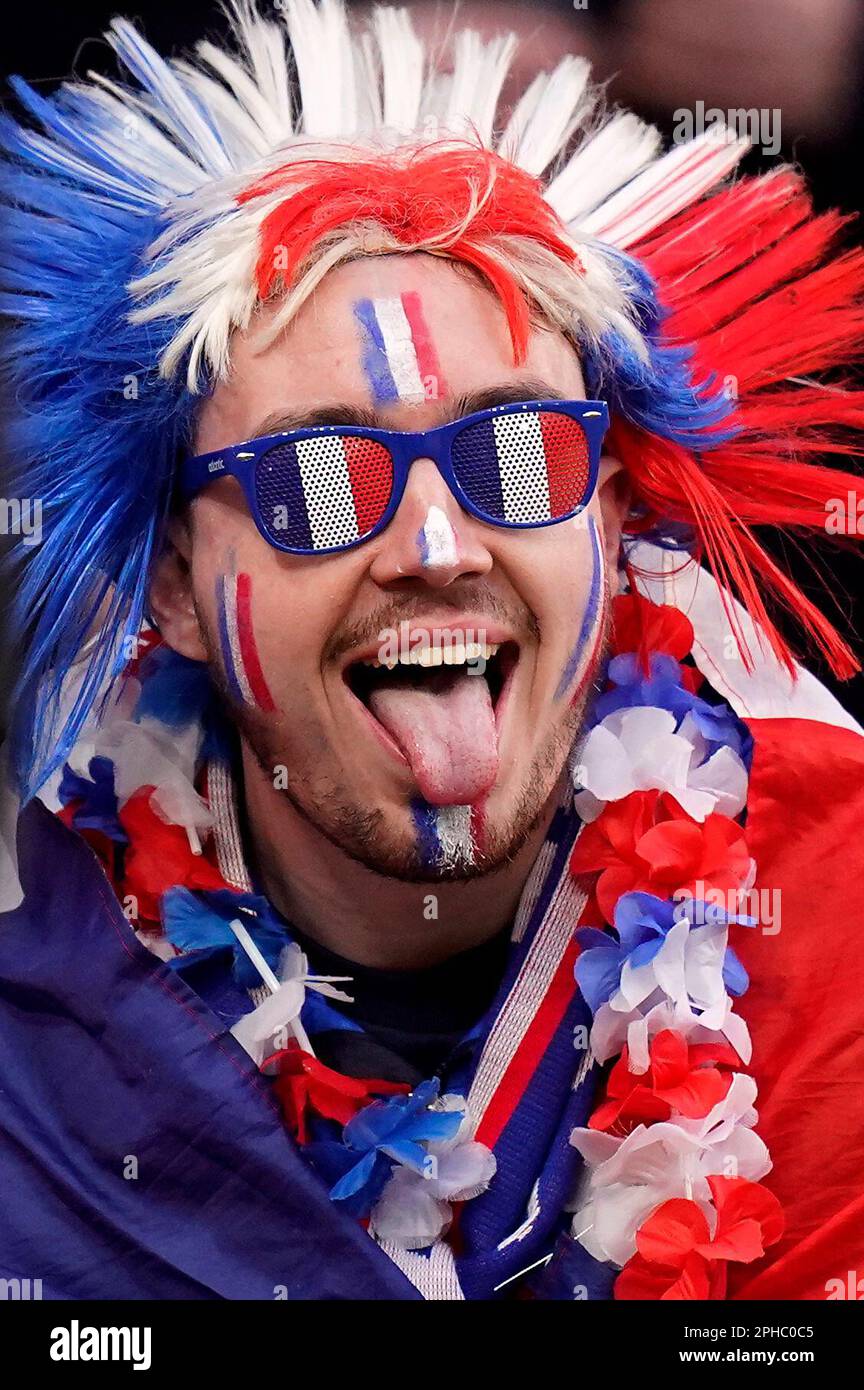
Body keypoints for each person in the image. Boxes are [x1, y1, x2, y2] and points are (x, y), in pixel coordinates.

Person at [0, 0, 862, 1302]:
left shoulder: (841, 947)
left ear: (612, 522)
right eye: (317, 475)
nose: (440, 543)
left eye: (519, 452)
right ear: (176, 584)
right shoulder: (31, 1057)